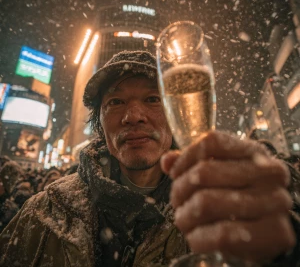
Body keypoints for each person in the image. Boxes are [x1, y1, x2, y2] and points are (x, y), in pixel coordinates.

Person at [0, 51, 299, 266]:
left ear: (175, 114)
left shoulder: (215, 207)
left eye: (153, 99)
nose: (133, 117)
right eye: (116, 102)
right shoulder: (45, 212)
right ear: (100, 124)